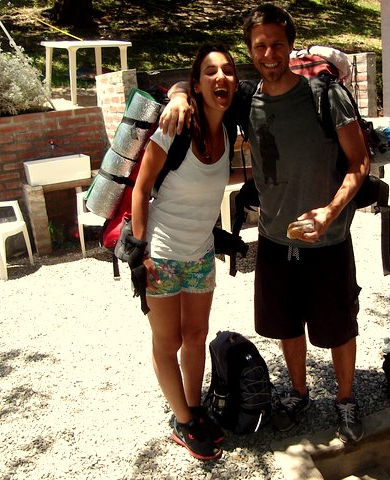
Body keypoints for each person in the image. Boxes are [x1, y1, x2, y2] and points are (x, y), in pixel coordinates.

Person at [160, 4, 370, 443]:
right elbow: (197, 83)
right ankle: (298, 393)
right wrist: (178, 95)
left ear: (290, 45)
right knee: (287, 325)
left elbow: (359, 161)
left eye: (277, 44)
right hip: (275, 237)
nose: (269, 53)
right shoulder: (246, 99)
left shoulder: (325, 94)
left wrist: (330, 211)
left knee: (338, 326)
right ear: (250, 50)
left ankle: (346, 399)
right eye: (260, 46)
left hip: (329, 238)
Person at [131, 43, 248, 460]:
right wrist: (140, 252)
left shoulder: (229, 129)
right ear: (196, 84)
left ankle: (194, 409)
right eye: (210, 72)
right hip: (160, 254)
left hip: (200, 253)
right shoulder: (175, 126)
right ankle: (181, 421)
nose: (221, 78)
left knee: (196, 335)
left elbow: (213, 177)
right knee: (168, 341)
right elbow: (142, 189)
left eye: (228, 70)